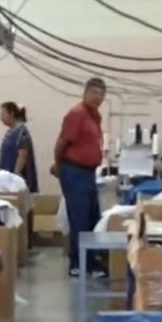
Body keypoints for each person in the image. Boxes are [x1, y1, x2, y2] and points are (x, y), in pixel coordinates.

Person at [53, 77, 107, 277]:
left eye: (101, 94)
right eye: (94, 93)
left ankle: (91, 262)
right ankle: (77, 264)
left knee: (92, 217)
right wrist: (59, 166)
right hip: (74, 171)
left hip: (88, 173)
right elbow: (61, 143)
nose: (97, 97)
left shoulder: (95, 117)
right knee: (79, 218)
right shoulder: (77, 114)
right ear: (85, 93)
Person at [0, 101, 38, 192]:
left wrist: (16, 175)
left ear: (11, 114)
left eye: (3, 114)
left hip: (17, 181)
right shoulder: (10, 132)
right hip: (7, 177)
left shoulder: (21, 132)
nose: (0, 117)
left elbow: (23, 154)